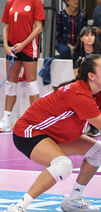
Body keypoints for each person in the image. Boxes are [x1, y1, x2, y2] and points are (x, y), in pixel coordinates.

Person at [1, 54, 101, 212]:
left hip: (54, 134)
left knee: (99, 151)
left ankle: (73, 200)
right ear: (91, 76)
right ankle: (17, 207)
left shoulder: (99, 94)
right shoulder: (80, 95)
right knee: (63, 165)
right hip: (29, 133)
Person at [0, 0, 45, 132]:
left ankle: (37, 121)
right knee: (10, 83)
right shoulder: (10, 2)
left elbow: (38, 28)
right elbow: (6, 27)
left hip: (29, 47)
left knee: (32, 84)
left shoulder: (36, 2)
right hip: (12, 48)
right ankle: (6, 120)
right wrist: (7, 46)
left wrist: (23, 44)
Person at [73, 26, 101, 137]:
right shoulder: (77, 54)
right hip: (83, 85)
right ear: (81, 38)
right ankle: (77, 126)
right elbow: (76, 74)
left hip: (98, 85)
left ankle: (95, 128)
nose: (90, 38)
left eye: (92, 35)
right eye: (86, 35)